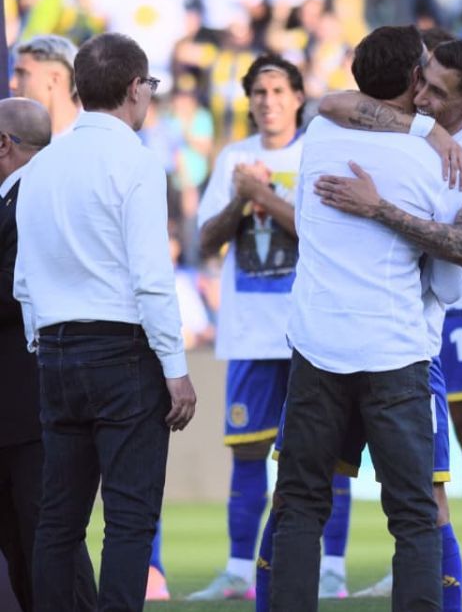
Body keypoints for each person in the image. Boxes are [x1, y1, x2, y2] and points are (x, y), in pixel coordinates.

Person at [298, 36, 462, 609]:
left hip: (417, 347)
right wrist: (425, 129)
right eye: (423, 78)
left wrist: (378, 208)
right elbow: (332, 102)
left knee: (424, 500)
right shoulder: (406, 128)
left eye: (436, 92)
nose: (420, 94)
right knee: (311, 498)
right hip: (363, 343)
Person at [14, 31, 197, 612]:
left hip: (56, 352)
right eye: (150, 85)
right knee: (129, 519)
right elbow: (150, 276)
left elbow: (24, 279)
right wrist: (175, 368)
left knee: (57, 523)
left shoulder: (40, 166)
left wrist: (39, 344)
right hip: (122, 351)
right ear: (134, 88)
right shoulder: (137, 162)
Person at [270, 25, 446, 612]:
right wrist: (432, 129)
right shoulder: (428, 158)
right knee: (414, 512)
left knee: (298, 503)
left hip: (317, 345)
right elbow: (448, 275)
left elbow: (333, 103)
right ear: (417, 81)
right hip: (393, 349)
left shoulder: (318, 135)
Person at [190, 54, 354, 600]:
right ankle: (239, 570)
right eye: (259, 93)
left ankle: (333, 567)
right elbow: (206, 243)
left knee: (326, 453)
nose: (268, 102)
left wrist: (264, 196)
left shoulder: (317, 154)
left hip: (311, 332)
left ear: (299, 98)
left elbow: (322, 234)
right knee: (248, 452)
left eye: (279, 91)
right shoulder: (234, 160)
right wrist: (241, 196)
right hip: (250, 333)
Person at [0, 98, 98, 612]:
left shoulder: (36, 198)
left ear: (3, 144)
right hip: (19, 406)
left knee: (47, 537)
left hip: (32, 401)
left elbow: (16, 289)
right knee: (22, 543)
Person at [9, 35, 81, 137]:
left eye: (22, 73)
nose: (12, 83)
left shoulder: (95, 134)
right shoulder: (13, 138)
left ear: (54, 79)